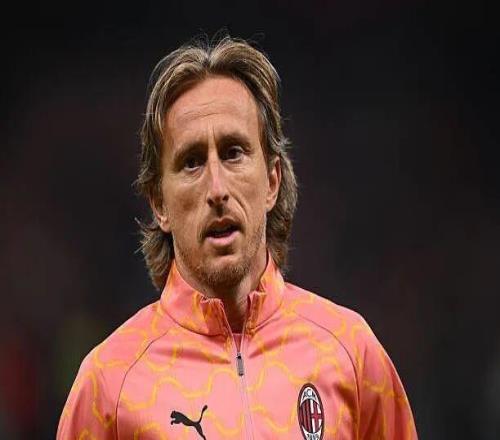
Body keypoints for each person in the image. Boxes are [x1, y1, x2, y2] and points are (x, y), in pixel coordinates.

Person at [57, 36, 417, 439]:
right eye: (192, 162)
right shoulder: (108, 387)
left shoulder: (352, 354)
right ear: (159, 203)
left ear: (272, 181)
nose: (217, 189)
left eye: (233, 153)